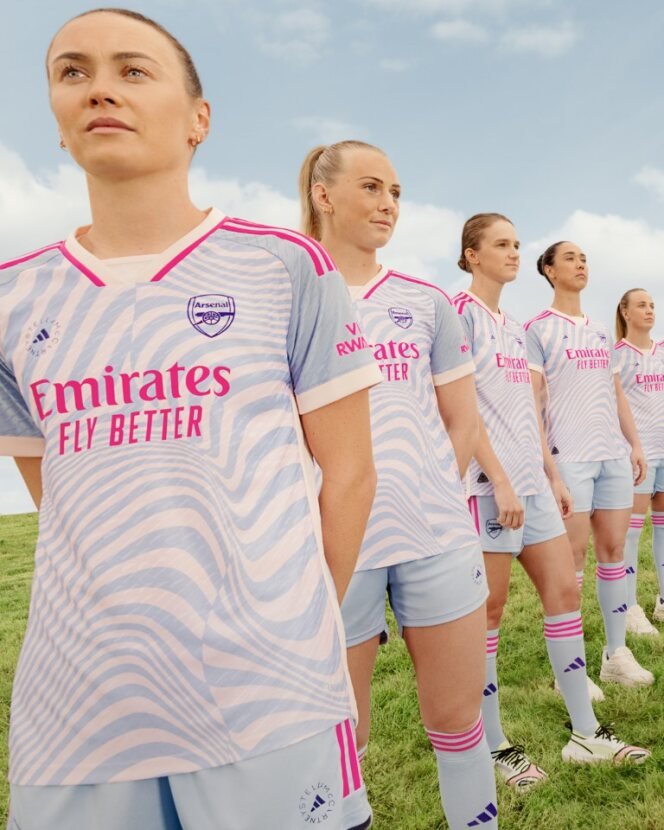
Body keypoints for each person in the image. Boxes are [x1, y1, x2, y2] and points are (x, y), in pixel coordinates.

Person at [0, 10, 383, 830]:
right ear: (58, 122)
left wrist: (294, 623)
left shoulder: (286, 266)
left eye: (133, 70)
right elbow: (59, 488)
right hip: (80, 710)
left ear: (198, 119)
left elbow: (350, 475)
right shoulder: (11, 299)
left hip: (269, 695)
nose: (99, 86)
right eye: (72, 73)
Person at [299, 141, 497, 830]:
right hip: (332, 548)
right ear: (324, 195)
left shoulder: (425, 302)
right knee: (342, 736)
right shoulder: (287, 297)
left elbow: (462, 419)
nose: (389, 204)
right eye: (372, 187)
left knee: (457, 720)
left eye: (397, 191)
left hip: (435, 536)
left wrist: (428, 493)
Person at [453, 214, 650, 791]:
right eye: (501, 245)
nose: (513, 253)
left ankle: (586, 734)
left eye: (517, 244)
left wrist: (549, 476)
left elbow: (523, 411)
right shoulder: (460, 315)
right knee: (487, 616)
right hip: (490, 492)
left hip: (536, 487)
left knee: (564, 594)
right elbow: (462, 409)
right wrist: (501, 480)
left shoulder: (513, 326)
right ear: (471, 256)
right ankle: (494, 748)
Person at [526, 242, 654, 687]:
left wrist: (634, 444)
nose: (581, 264)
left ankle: (615, 654)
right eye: (569, 259)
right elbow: (533, 401)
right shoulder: (538, 330)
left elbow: (616, 392)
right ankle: (570, 670)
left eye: (584, 259)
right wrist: (549, 468)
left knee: (614, 553)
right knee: (571, 563)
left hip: (613, 457)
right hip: (570, 460)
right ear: (548, 270)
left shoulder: (601, 330)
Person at [614, 289, 664, 630]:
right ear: (625, 312)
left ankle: (662, 600)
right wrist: (633, 447)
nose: (649, 311)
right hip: (638, 455)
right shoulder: (617, 354)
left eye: (652, 306)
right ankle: (629, 605)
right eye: (641, 305)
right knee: (631, 533)